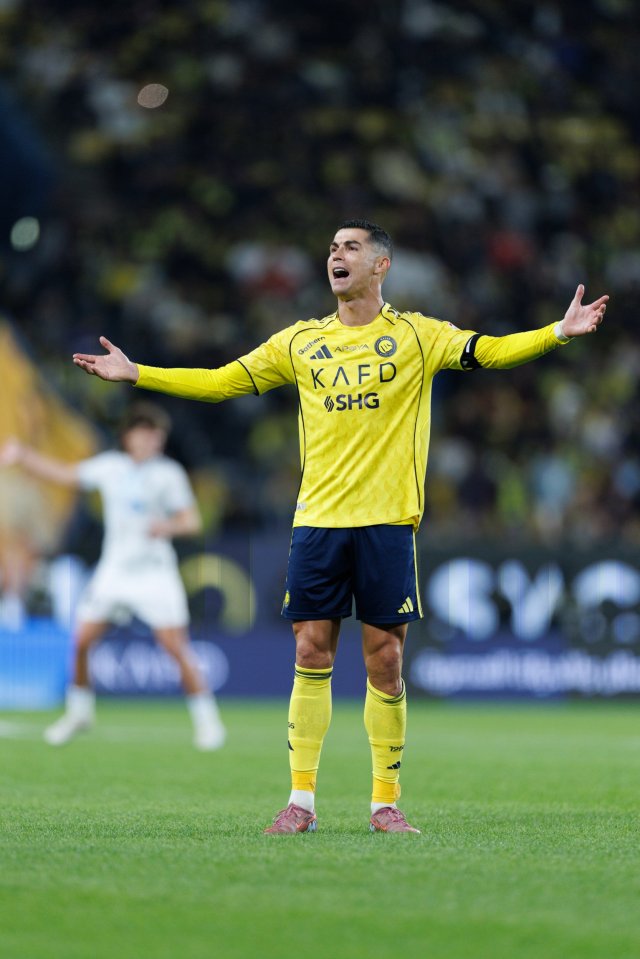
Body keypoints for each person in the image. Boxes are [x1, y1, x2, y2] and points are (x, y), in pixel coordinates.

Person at [71, 219, 608, 833]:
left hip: (386, 524)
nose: (336, 255)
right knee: (309, 650)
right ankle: (301, 802)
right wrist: (140, 374)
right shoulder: (300, 343)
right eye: (331, 248)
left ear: (381, 265)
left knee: (385, 661)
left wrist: (556, 334)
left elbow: (486, 350)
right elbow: (221, 382)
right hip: (318, 522)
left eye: (350, 247)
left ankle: (385, 803)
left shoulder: (416, 335)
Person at [0, 401, 226, 751]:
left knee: (175, 647)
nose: (152, 442)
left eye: (157, 436)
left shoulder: (168, 474)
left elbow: (192, 521)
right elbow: (64, 474)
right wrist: (24, 455)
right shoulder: (110, 468)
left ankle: (208, 722)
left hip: (154, 573)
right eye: (146, 434)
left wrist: (166, 525)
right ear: (129, 436)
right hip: (115, 571)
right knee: (82, 641)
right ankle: (79, 712)